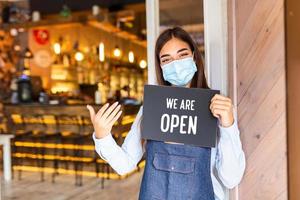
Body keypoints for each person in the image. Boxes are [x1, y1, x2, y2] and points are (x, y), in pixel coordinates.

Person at [87, 27, 246, 200]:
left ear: (194, 56)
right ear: (161, 66)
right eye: (166, 59)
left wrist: (228, 124)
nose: (175, 64)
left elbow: (231, 178)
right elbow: (125, 164)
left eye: (182, 55)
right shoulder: (152, 107)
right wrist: (102, 136)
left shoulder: (217, 107)